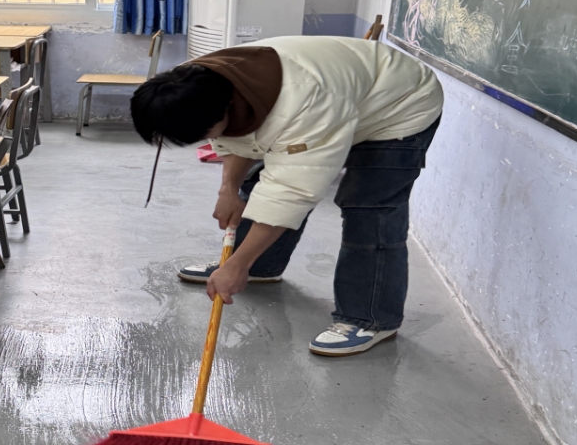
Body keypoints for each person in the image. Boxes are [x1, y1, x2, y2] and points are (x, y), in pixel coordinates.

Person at [130, 35, 443, 356]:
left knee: (369, 209)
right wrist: (228, 189)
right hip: (343, 91)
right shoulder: (195, 84)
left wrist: (237, 263)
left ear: (225, 108)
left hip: (399, 105)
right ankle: (259, 266)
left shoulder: (305, 104)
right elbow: (239, 136)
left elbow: (291, 191)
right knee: (258, 186)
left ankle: (371, 318)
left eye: (201, 135)